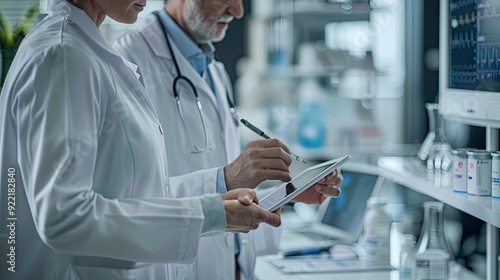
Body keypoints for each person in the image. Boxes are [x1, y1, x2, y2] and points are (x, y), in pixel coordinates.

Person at [0, 0, 283, 279]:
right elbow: (64, 218)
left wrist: (218, 205)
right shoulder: (63, 55)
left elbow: (136, 191)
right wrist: (209, 215)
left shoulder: (87, 50)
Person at [112, 0, 343, 279]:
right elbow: (122, 207)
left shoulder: (213, 69)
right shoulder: (124, 63)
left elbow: (223, 198)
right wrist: (227, 178)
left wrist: (286, 193)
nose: (238, 11)